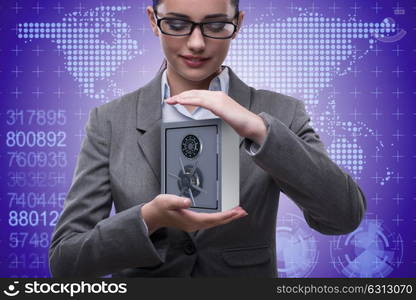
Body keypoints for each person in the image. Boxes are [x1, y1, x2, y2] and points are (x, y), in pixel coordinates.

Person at [48, 0, 367, 277]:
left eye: (216, 24)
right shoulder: (109, 121)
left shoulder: (280, 112)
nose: (197, 43)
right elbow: (66, 261)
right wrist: (149, 220)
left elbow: (343, 217)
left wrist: (258, 129)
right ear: (152, 21)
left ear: (238, 23)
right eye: (176, 23)